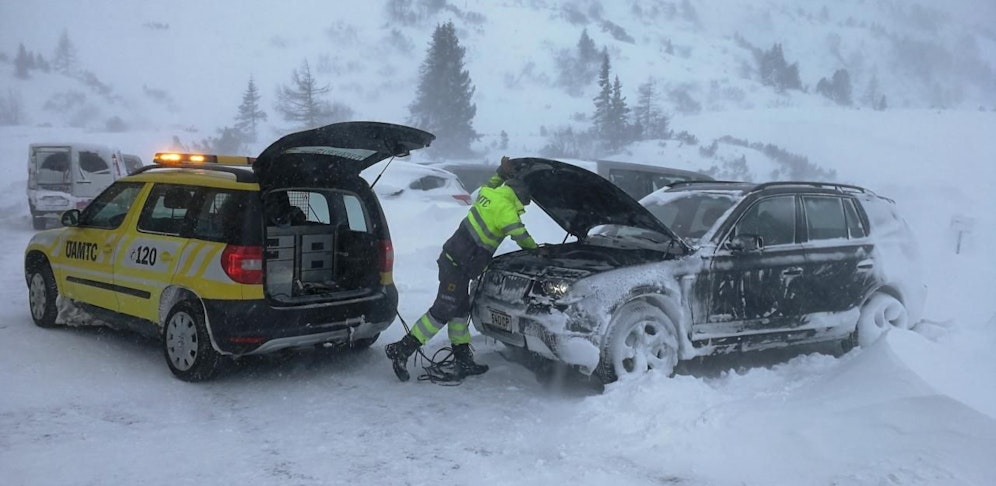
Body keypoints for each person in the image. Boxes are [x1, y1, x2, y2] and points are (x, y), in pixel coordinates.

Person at [385, 156, 537, 381]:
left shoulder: (489, 193)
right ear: (521, 197)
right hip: (457, 265)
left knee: (460, 313)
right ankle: (402, 349)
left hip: (455, 261)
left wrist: (501, 172)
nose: (524, 207)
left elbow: (493, 182)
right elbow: (521, 236)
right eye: (525, 203)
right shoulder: (506, 211)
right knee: (443, 310)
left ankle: (463, 360)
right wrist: (536, 251)